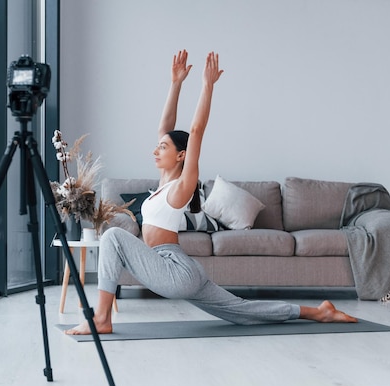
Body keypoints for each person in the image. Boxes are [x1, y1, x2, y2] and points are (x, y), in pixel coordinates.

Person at [66, 50, 356, 335]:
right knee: (242, 311)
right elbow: (165, 128)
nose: (156, 150)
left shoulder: (182, 187)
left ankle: (102, 318)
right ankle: (319, 312)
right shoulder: (163, 185)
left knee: (114, 236)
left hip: (173, 269)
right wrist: (176, 84)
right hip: (176, 269)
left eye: (163, 148)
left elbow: (196, 130)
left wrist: (207, 86)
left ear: (182, 156)